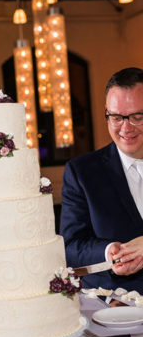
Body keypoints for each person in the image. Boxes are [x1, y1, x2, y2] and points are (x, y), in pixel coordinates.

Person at [60, 67, 143, 293]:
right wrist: (109, 252)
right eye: (116, 117)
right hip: (116, 310)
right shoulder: (82, 172)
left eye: (137, 117)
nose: (126, 128)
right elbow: (71, 246)